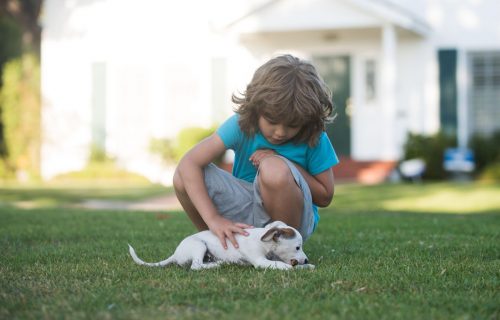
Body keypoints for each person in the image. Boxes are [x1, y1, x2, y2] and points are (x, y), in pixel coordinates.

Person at [173, 54, 339, 250]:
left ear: (307, 120)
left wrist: (283, 162)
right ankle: (216, 243)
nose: (280, 132)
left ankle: (282, 249)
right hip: (245, 208)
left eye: (292, 125)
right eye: (272, 121)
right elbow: (189, 163)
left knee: (273, 168)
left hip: (292, 219)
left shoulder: (313, 135)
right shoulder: (241, 125)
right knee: (183, 176)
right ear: (256, 108)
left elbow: (325, 196)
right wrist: (213, 219)